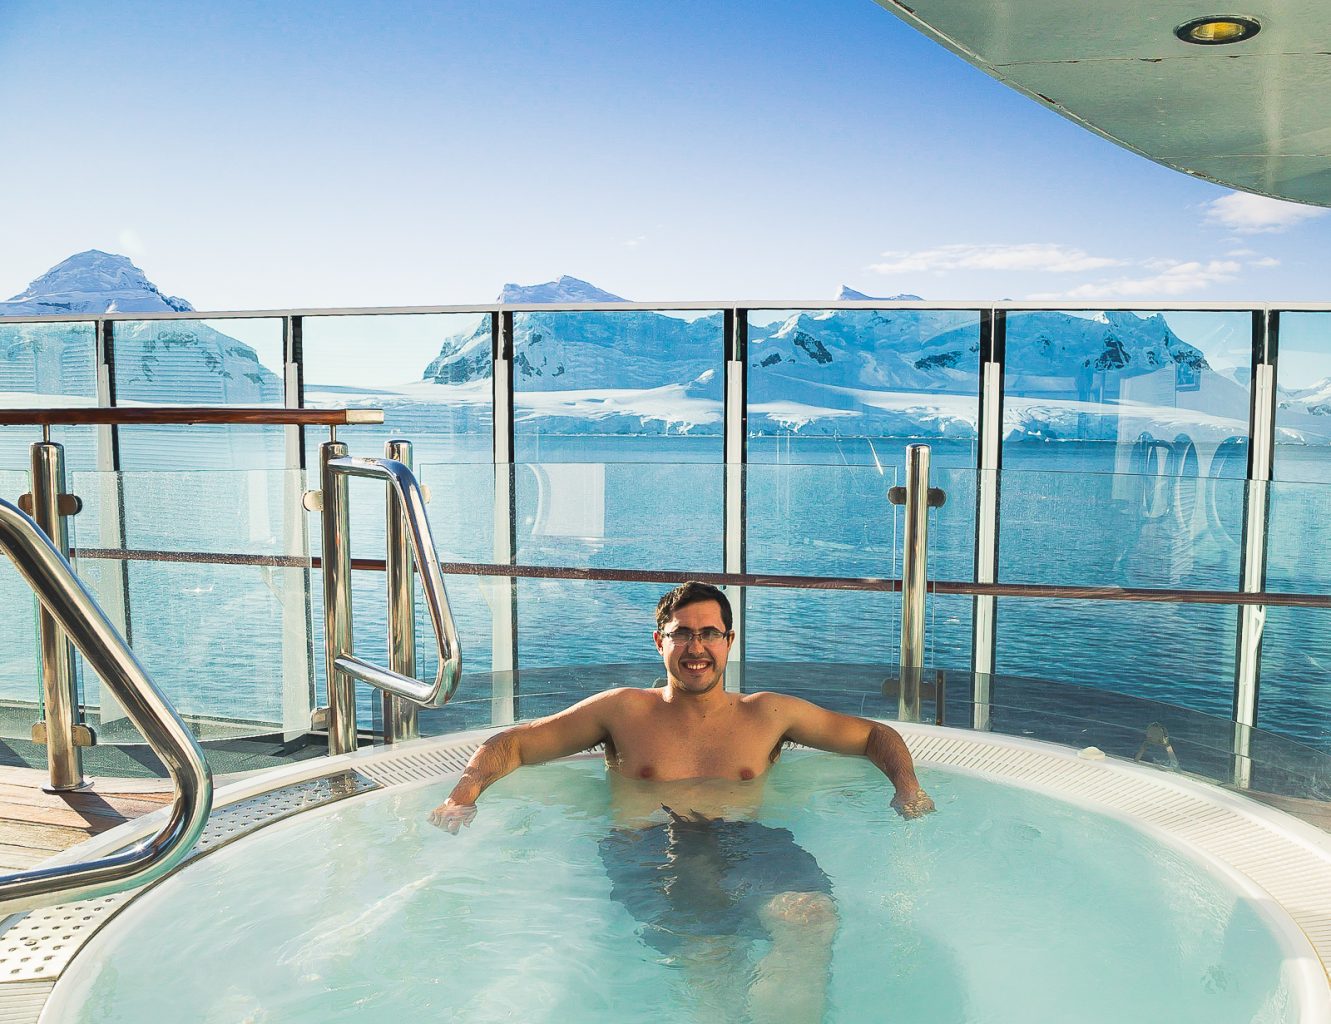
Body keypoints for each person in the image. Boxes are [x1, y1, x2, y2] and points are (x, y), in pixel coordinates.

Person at [430, 581, 935, 1022]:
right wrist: (463, 797)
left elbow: (874, 735)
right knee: (709, 956)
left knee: (812, 919)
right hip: (648, 846)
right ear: (660, 642)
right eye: (682, 634)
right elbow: (513, 743)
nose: (697, 648)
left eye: (709, 633)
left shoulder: (769, 713)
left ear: (729, 641)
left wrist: (907, 787)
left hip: (749, 843)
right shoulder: (622, 710)